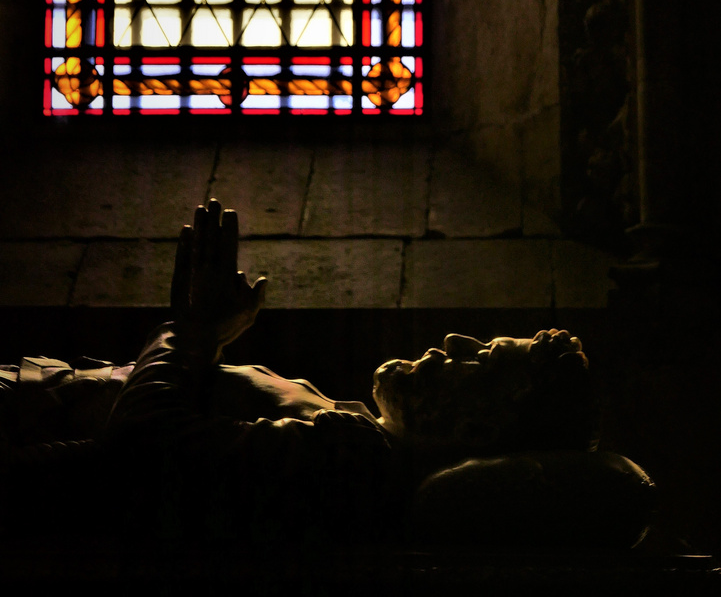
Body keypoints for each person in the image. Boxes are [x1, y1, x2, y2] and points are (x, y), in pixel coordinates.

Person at [1, 199, 654, 554]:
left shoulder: (359, 458)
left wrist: (195, 329)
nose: (453, 338)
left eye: (481, 357)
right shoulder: (355, 432)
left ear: (475, 423)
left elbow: (144, 454)